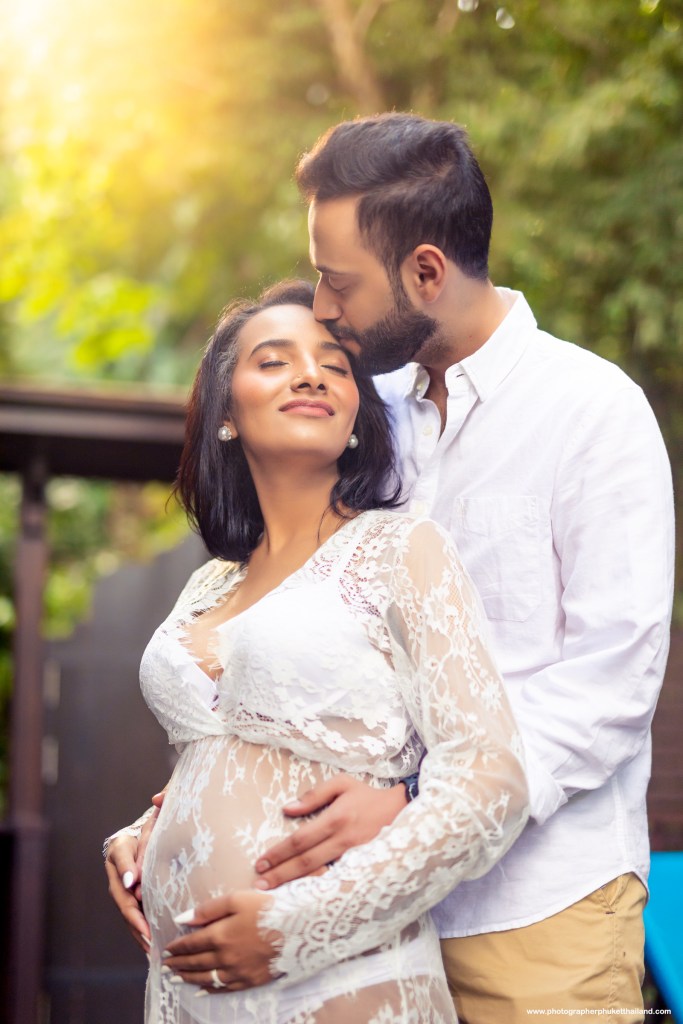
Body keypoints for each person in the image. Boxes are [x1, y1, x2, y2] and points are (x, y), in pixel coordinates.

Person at [108, 114, 674, 1022]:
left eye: (339, 285)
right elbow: (320, 671)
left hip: (531, 913)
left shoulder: (592, 413)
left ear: (424, 272)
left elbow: (612, 681)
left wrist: (411, 803)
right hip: (352, 923)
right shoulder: (363, 414)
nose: (323, 310)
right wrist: (175, 819)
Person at [104, 278, 528, 1023]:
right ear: (226, 414)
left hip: (340, 984)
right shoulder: (205, 585)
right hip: (185, 997)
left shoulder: (402, 549)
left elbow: (490, 782)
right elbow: (226, 754)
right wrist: (143, 838)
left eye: (333, 366)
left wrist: (294, 930)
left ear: (359, 416)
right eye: (273, 361)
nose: (309, 374)